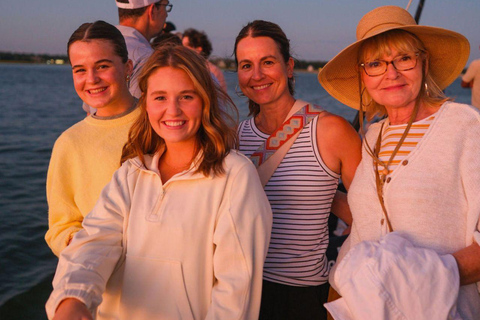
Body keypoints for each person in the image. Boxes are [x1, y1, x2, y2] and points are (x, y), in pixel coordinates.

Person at [45, 45, 272, 320]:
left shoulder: (234, 175)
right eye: (160, 97)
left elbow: (236, 289)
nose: (172, 110)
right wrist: (72, 298)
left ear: (205, 101)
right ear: (146, 104)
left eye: (186, 96)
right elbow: (95, 242)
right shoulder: (131, 173)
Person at [318, 6, 480, 318]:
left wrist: (419, 279)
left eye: (403, 59)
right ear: (363, 75)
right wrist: (315, 193)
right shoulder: (373, 136)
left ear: (423, 62)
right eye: (376, 63)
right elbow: (371, 218)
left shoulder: (465, 127)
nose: (391, 74)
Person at [234, 20, 362, 320]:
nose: (257, 75)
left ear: (289, 66)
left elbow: (371, 220)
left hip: (301, 296)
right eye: (246, 65)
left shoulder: (331, 130)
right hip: (239, 289)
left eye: (268, 62)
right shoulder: (235, 136)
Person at [45, 21, 140, 257]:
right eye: (80, 70)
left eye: (103, 66)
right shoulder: (69, 143)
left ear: (128, 67)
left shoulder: (161, 120)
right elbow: (60, 227)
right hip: (110, 284)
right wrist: (86, 246)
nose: (92, 79)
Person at [83, 0, 172, 115]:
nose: (166, 14)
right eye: (166, 6)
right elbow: (141, 118)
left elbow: (90, 112)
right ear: (152, 10)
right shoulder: (147, 58)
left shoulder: (97, 48)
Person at [182, 28, 228, 92]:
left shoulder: (213, 71)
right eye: (181, 45)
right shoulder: (181, 68)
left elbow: (220, 99)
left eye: (186, 46)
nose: (182, 49)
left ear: (198, 49)